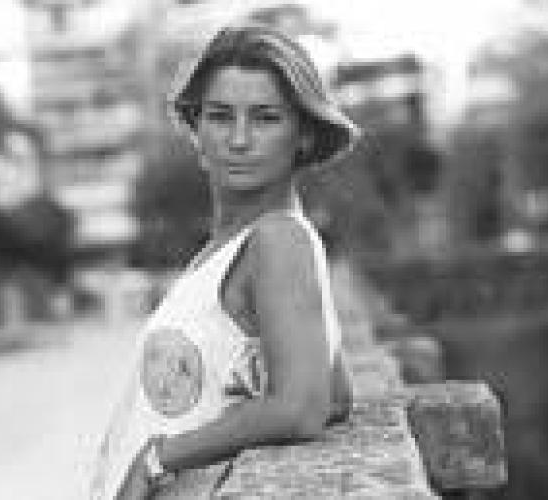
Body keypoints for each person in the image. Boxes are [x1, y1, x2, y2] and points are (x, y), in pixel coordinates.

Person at [89, 23, 361, 500]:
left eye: (265, 118)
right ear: (196, 129)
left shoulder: (277, 239)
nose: (238, 139)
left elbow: (304, 406)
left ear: (303, 133)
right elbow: (335, 393)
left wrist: (159, 457)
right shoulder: (227, 249)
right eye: (219, 116)